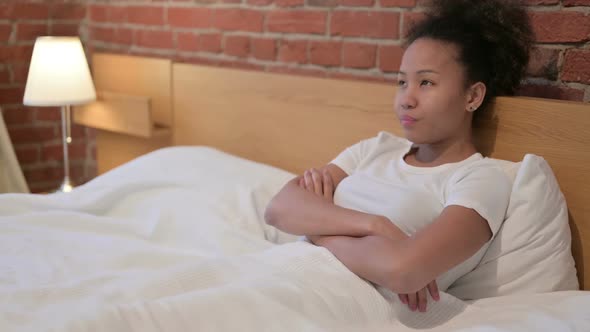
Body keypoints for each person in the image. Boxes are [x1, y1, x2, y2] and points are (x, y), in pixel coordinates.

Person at [264, 0, 533, 313]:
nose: (407, 99)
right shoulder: (375, 148)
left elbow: (403, 271)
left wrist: (316, 229)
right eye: (402, 82)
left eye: (426, 82)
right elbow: (280, 208)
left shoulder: (480, 179)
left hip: (335, 305)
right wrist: (377, 226)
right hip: (282, 273)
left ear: (472, 96)